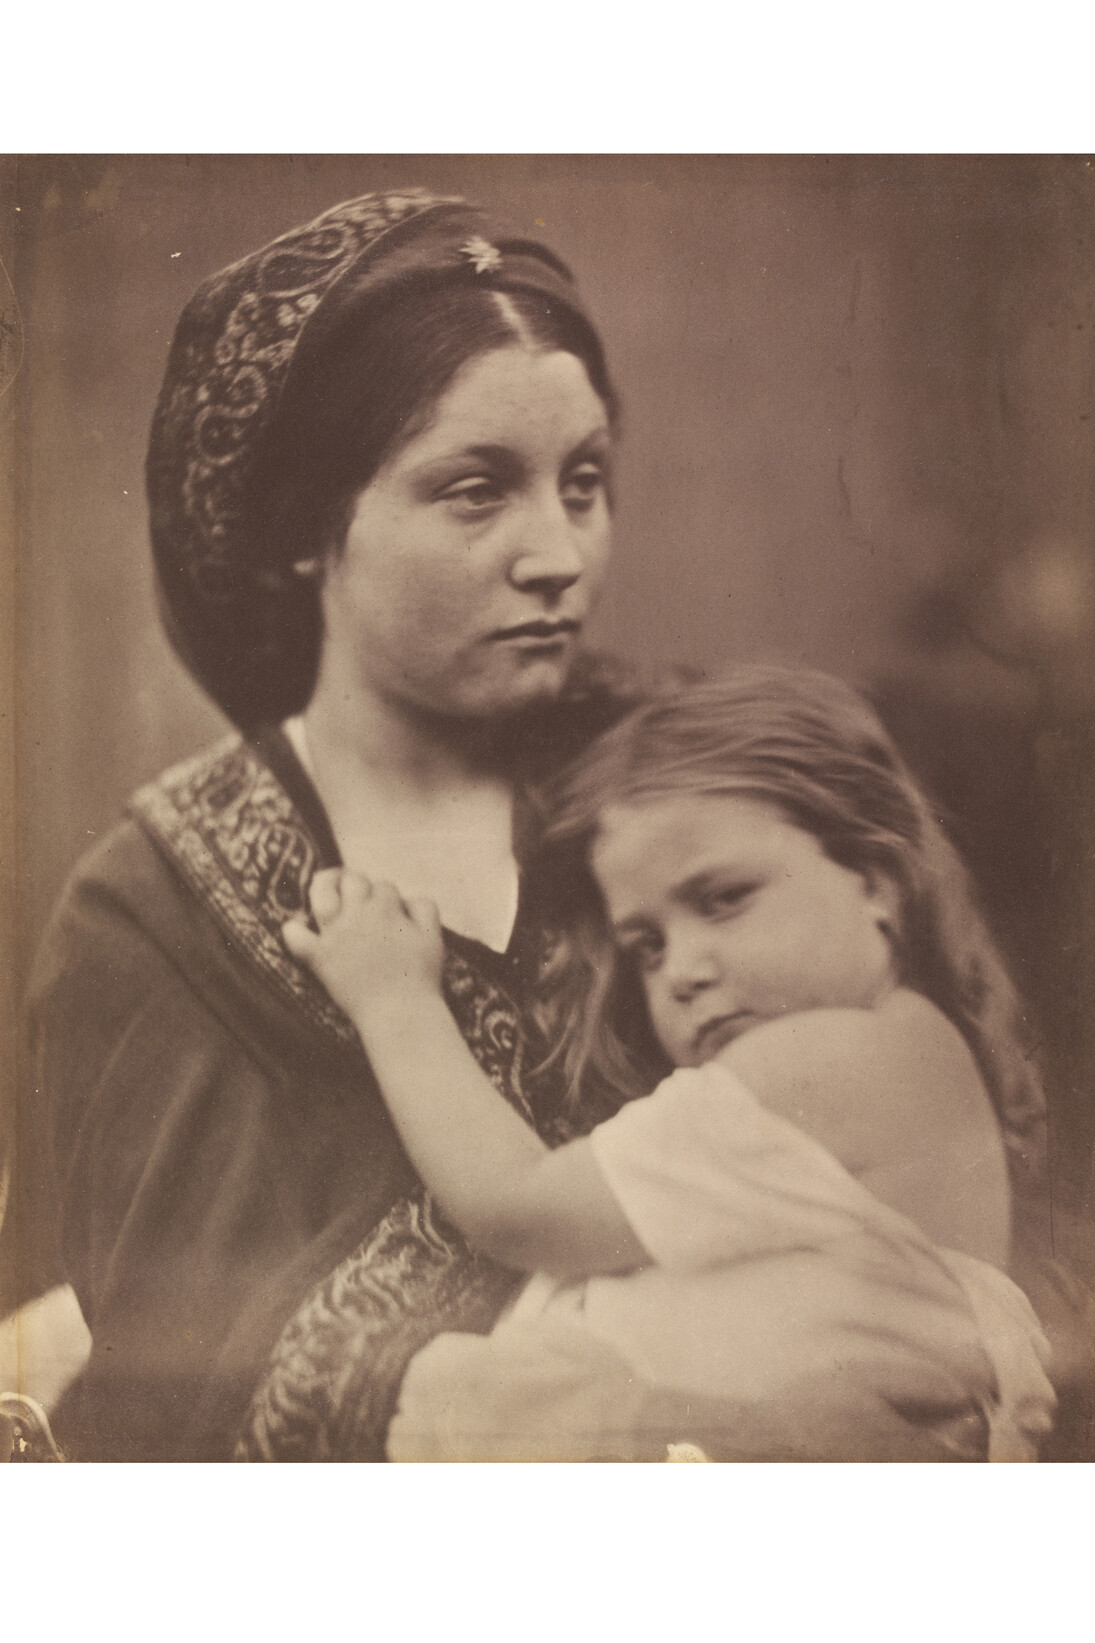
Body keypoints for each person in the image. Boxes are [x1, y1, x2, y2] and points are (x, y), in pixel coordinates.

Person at [2, 187, 641, 1460]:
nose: (559, 552)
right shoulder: (154, 909)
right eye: (475, 491)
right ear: (305, 528)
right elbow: (171, 1393)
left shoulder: (670, 815)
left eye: (583, 482)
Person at [277, 667, 1058, 1461]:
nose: (681, 969)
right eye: (645, 946)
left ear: (876, 882)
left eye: (722, 898)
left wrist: (394, 996)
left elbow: (518, 1205)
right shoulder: (902, 1059)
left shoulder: (844, 1057)